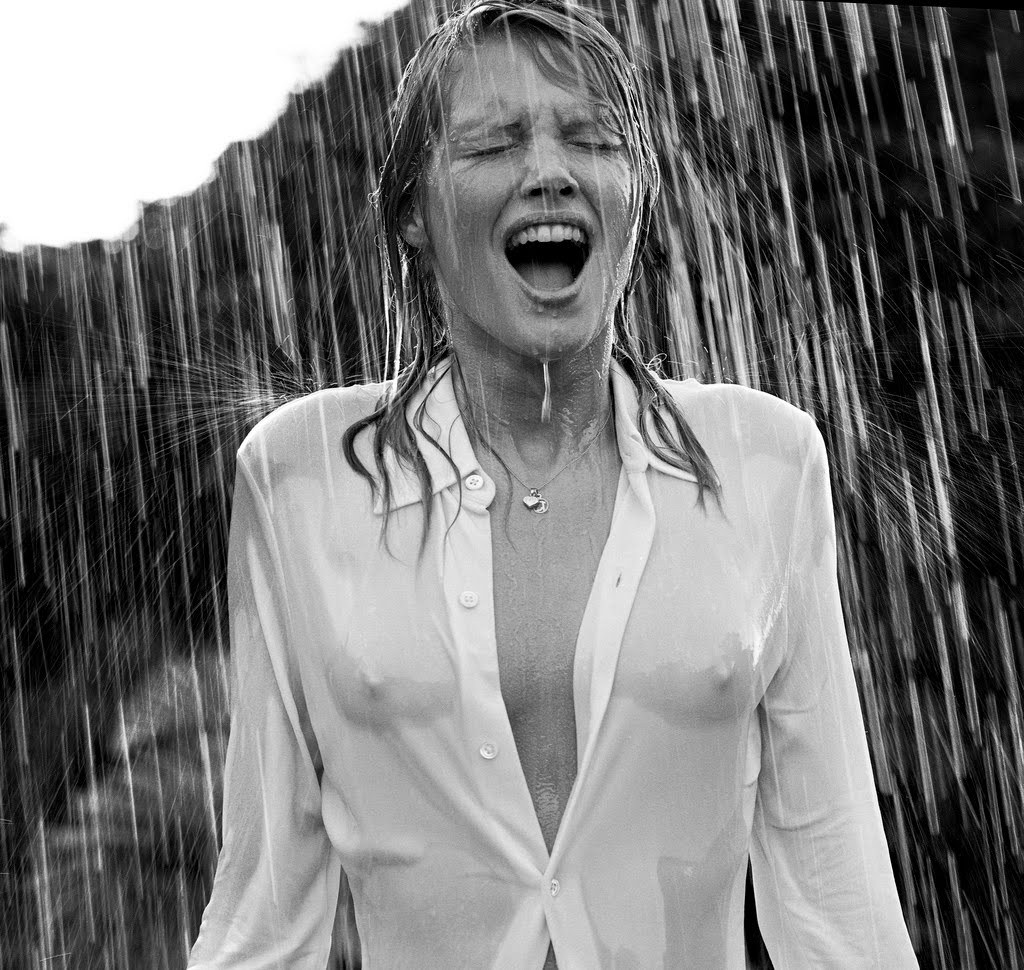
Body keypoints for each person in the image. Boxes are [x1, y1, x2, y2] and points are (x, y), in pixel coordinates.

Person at [187, 1, 919, 967]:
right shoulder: (301, 474)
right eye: (493, 143)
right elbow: (263, 913)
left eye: (593, 139)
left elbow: (837, 896)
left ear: (636, 194)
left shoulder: (766, 460)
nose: (549, 172)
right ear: (411, 212)